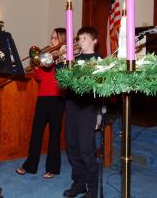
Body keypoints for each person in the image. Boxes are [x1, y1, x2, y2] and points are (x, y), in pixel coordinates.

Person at [15, 28, 66, 179]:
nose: (52, 41)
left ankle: (53, 168)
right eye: (51, 38)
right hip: (42, 97)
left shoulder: (64, 57)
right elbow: (39, 78)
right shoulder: (46, 56)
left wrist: (60, 58)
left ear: (62, 39)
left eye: (55, 38)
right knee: (36, 133)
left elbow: (61, 77)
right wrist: (37, 64)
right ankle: (30, 165)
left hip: (57, 98)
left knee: (54, 135)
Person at [63, 26, 101, 198]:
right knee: (72, 148)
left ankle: (93, 190)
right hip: (71, 106)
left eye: (84, 38)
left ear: (94, 41)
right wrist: (64, 60)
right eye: (79, 38)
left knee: (87, 150)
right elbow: (61, 80)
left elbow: (100, 86)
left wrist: (100, 112)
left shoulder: (99, 60)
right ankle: (79, 183)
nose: (80, 41)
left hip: (88, 108)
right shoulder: (72, 58)